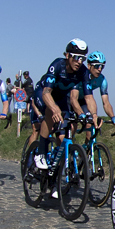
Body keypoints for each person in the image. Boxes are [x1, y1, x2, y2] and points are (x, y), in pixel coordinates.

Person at [33, 40, 99, 170]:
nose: (79, 61)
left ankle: (56, 161)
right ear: (67, 55)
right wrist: (54, 108)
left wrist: (94, 115)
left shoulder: (83, 72)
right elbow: (46, 93)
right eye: (76, 57)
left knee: (68, 127)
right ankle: (40, 152)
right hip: (43, 92)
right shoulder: (57, 65)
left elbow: (89, 97)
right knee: (50, 112)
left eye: (83, 58)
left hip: (61, 97)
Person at [82, 52, 115, 124]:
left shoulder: (102, 80)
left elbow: (106, 102)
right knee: (71, 126)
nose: (99, 69)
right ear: (89, 66)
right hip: (70, 99)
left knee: (90, 123)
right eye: (97, 66)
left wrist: (112, 117)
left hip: (83, 101)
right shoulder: (81, 75)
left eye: (102, 66)